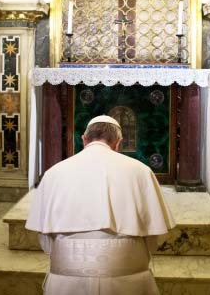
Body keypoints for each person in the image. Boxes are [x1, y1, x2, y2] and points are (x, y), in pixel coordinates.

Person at [26, 115, 176, 295]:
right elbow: (152, 239)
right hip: (128, 278)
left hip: (65, 281)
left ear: (84, 139)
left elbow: (45, 239)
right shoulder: (141, 171)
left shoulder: (53, 172)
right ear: (118, 142)